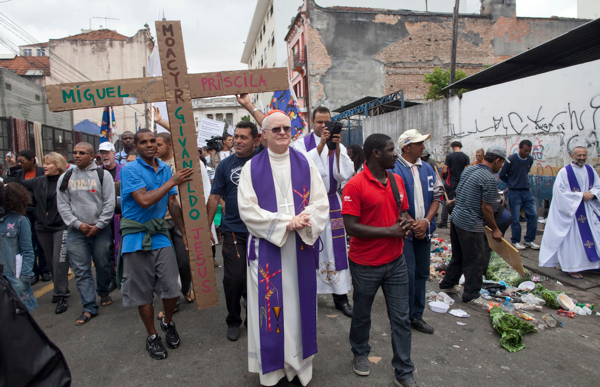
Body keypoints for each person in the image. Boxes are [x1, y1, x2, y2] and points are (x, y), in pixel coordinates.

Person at [238, 110, 329, 386]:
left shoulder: (305, 163)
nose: (282, 133)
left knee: (298, 308)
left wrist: (303, 220)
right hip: (268, 250)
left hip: (298, 249)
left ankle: (299, 366)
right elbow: (247, 210)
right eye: (275, 129)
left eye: (286, 128)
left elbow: (321, 202)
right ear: (263, 135)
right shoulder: (251, 168)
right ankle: (274, 369)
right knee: (272, 308)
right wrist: (284, 223)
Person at [342, 133, 417, 387]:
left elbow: (401, 210)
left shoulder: (396, 180)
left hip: (396, 261)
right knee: (362, 314)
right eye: (391, 149)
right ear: (376, 154)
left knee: (401, 318)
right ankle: (360, 353)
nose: (395, 153)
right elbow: (350, 227)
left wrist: (406, 221)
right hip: (365, 265)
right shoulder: (355, 185)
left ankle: (404, 371)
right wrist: (389, 231)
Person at [119, 129, 192, 360]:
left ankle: (167, 322)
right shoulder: (130, 169)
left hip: (160, 233)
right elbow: (143, 200)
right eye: (144, 142)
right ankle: (152, 336)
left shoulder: (165, 168)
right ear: (136, 146)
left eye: (153, 141)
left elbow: (172, 202)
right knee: (143, 293)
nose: (150, 145)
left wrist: (183, 232)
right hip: (135, 237)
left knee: (172, 288)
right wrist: (172, 180)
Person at [291, 106, 354, 317]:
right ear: (312, 122)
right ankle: (308, 296)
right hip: (309, 205)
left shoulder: (338, 145)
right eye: (319, 122)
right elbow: (299, 168)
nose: (324, 126)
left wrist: (334, 149)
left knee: (336, 251)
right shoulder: (301, 143)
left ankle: (340, 297)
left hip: (332, 203)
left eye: (327, 122)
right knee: (310, 249)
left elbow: (344, 173)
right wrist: (320, 146)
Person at [208, 120, 265, 341]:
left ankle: (253, 318)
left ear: (256, 140)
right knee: (234, 278)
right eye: (236, 137)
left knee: (259, 279)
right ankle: (233, 319)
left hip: (260, 230)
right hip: (233, 230)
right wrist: (207, 228)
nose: (237, 141)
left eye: (244, 137)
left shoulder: (264, 161)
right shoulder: (225, 165)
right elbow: (214, 197)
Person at [390, 130, 442, 335]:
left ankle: (416, 315)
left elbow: (437, 197)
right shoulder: (394, 170)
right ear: (407, 147)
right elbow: (395, 202)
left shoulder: (428, 168)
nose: (423, 147)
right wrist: (413, 224)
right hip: (406, 233)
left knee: (421, 273)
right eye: (419, 143)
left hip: (425, 231)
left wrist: (426, 222)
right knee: (407, 275)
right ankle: (402, 315)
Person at [57, 142, 115, 326]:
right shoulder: (66, 177)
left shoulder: (102, 175)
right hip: (76, 232)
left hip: (101, 230)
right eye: (75, 152)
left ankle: (104, 291)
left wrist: (99, 224)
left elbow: (109, 202)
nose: (77, 155)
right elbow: (63, 205)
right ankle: (89, 307)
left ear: (93, 156)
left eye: (82, 153)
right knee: (81, 270)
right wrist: (77, 224)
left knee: (103, 264)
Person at [439, 146, 506, 303]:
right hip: (470, 224)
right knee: (475, 261)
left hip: (456, 219)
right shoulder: (489, 178)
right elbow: (486, 208)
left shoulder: (470, 170)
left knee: (458, 256)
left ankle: (447, 284)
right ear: (497, 160)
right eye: (502, 163)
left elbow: (460, 194)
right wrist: (495, 229)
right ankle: (471, 294)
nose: (501, 166)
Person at [20, 152, 70, 314]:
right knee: (49, 262)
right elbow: (17, 183)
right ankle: (58, 288)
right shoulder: (39, 181)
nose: (45, 167)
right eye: (44, 163)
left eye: (49, 164)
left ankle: (61, 294)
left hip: (61, 226)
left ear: (58, 165)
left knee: (59, 261)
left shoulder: (67, 180)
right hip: (42, 227)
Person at [539, 146, 600, 279]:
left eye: (584, 155)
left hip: (589, 210)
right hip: (573, 212)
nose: (582, 158)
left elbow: (597, 186)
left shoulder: (590, 170)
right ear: (572, 156)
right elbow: (560, 193)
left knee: (596, 236)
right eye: (579, 155)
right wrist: (580, 196)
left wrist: (593, 194)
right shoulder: (565, 172)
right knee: (574, 241)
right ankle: (572, 267)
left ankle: (593, 265)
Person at [155, 132, 194, 306]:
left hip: (181, 219)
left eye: (159, 145)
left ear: (170, 145)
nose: (154, 148)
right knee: (165, 265)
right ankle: (171, 300)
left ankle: (186, 288)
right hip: (160, 220)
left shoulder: (181, 164)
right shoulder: (154, 166)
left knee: (184, 261)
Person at [0, 181, 38, 311]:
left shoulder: (20, 221)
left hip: (14, 279)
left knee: (19, 320)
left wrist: (23, 279)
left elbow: (28, 251)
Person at [16, 150, 50, 284]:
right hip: (25, 211)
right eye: (18, 161)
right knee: (28, 242)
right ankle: (33, 271)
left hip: (40, 210)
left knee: (41, 241)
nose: (20, 164)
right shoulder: (19, 174)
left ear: (31, 160)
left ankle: (45, 270)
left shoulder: (43, 172)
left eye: (22, 161)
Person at [499, 140, 540, 250]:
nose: (527, 153)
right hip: (514, 192)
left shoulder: (530, 160)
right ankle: (515, 240)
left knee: (533, 215)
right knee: (515, 218)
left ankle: (529, 240)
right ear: (520, 148)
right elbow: (502, 174)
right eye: (525, 150)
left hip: (526, 191)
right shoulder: (511, 160)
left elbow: (525, 172)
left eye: (529, 151)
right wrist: (511, 183)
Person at [98, 142, 122, 292]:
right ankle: (111, 278)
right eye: (102, 153)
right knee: (105, 250)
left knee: (121, 247)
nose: (104, 156)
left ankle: (123, 276)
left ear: (114, 154)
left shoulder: (124, 171)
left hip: (120, 215)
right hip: (103, 216)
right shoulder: (96, 172)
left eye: (107, 153)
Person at [440, 141, 469, 228]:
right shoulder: (465, 157)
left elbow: (445, 169)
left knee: (447, 200)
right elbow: (468, 169)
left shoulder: (450, 156)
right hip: (461, 182)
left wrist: (445, 176)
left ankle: (444, 222)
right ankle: (459, 221)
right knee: (459, 200)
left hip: (451, 182)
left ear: (453, 147)